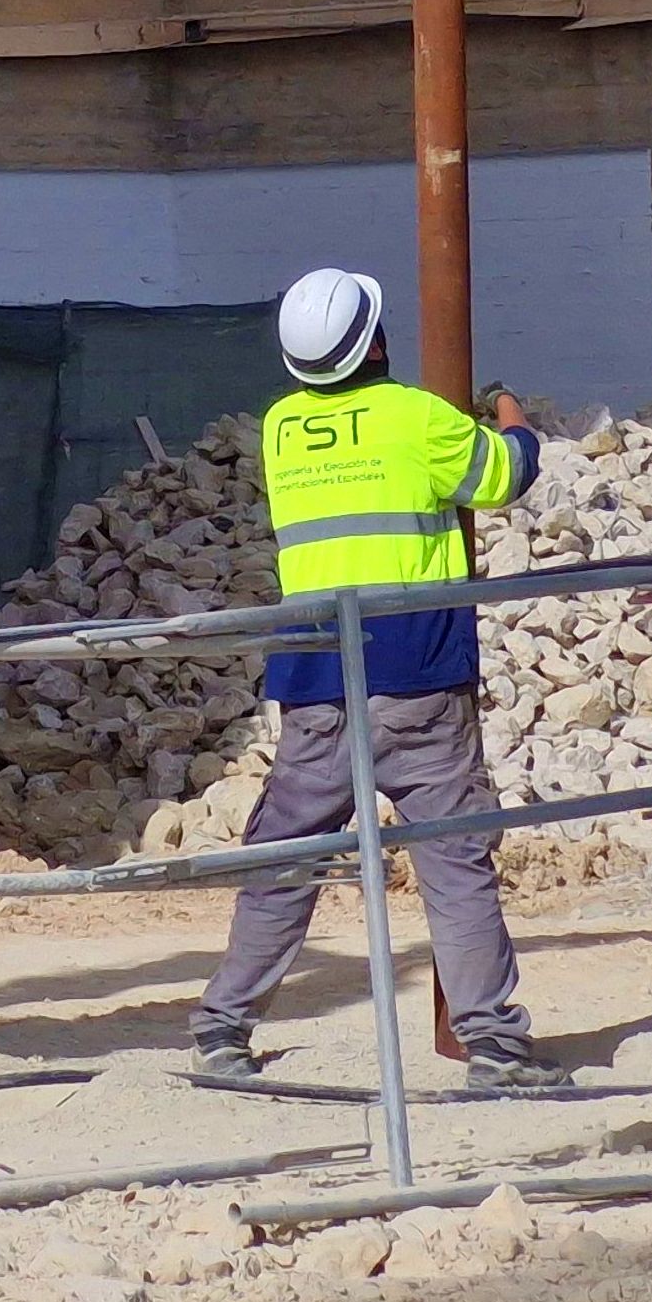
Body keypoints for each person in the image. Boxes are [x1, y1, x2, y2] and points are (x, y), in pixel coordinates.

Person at [192, 265, 569, 1094]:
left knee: (286, 855)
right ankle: (494, 1048)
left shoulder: (282, 430)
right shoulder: (413, 416)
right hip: (416, 668)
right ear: (377, 342)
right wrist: (511, 416)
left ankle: (223, 1028)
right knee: (452, 856)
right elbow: (503, 477)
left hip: (313, 671)